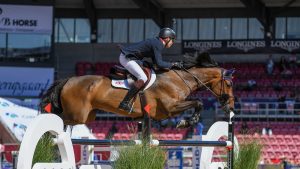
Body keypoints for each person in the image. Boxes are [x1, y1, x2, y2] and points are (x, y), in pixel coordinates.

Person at [118, 27, 182, 112]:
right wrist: (173, 64)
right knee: (143, 78)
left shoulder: (156, 42)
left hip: (132, 58)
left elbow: (156, 64)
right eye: (172, 40)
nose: (172, 42)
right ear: (167, 38)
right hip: (127, 58)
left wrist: (170, 65)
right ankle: (124, 103)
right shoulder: (158, 44)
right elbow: (159, 63)